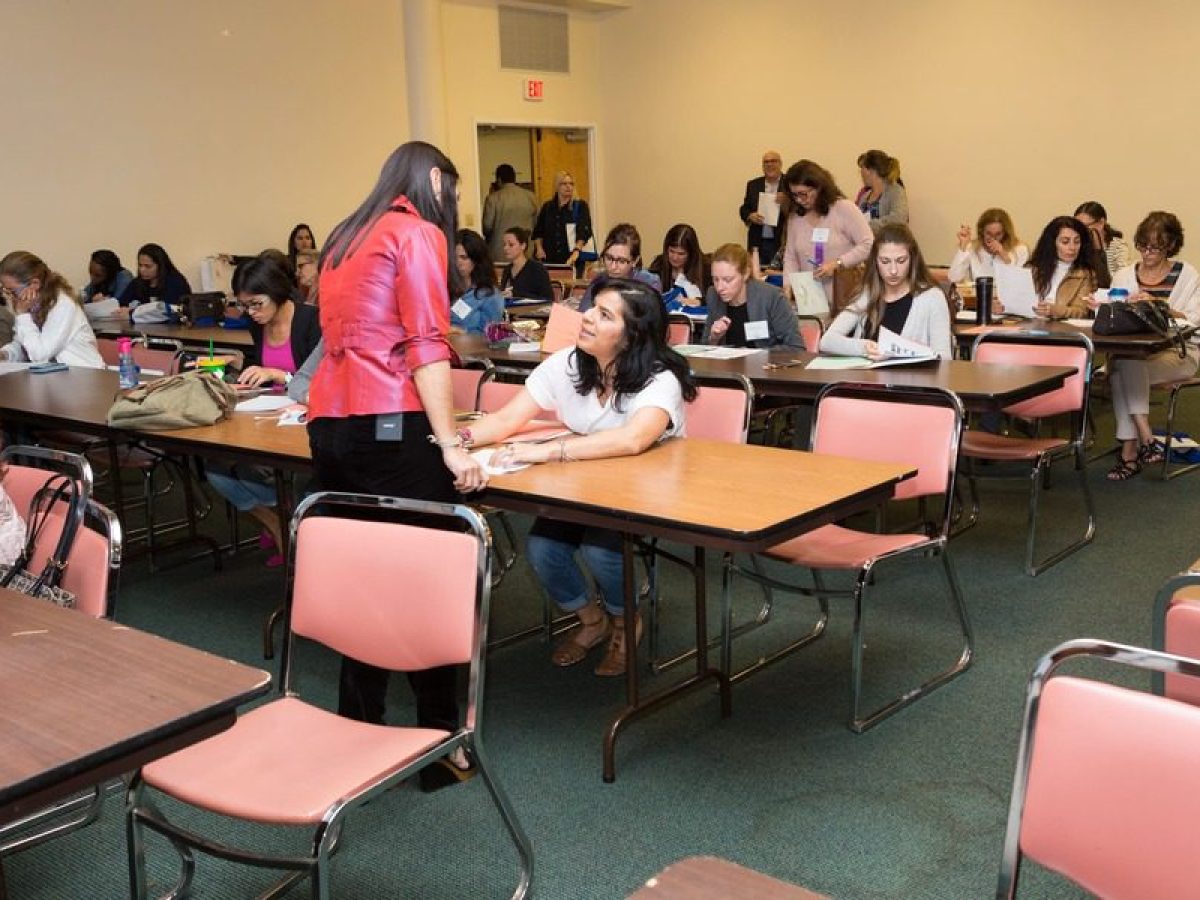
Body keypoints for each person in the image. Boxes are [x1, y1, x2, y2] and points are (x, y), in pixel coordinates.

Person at [306, 140, 484, 791]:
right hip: (390, 425)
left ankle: (360, 730)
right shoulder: (416, 233)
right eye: (452, 189)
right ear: (435, 179)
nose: (453, 203)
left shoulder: (343, 236)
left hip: (331, 425)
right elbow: (425, 345)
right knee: (426, 586)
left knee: (362, 583)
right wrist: (452, 443)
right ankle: (442, 744)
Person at [462, 277, 696, 675]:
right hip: (583, 484)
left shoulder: (660, 378)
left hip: (643, 493)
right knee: (543, 550)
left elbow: (634, 438)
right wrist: (456, 441)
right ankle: (592, 620)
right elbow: (506, 420)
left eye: (604, 315)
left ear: (631, 335)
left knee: (601, 551)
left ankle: (625, 621)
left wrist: (548, 451)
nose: (586, 317)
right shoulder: (569, 362)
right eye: (592, 308)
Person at [205, 255, 321, 560]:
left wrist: (281, 376)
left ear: (277, 292)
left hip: (302, 420)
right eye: (244, 306)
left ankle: (287, 523)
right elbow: (262, 367)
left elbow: (322, 380)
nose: (251, 313)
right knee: (215, 466)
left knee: (262, 470)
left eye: (256, 304)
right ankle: (276, 520)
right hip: (265, 415)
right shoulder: (258, 325)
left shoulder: (312, 321)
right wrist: (240, 373)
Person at [1092, 211, 1200, 481]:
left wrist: (1158, 306)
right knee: (1126, 364)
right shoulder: (1124, 275)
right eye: (1143, 246)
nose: (1147, 253)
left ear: (1170, 245)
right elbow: (1113, 316)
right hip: (1134, 352)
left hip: (1179, 352)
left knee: (1121, 370)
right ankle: (1146, 438)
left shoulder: (1187, 275)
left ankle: (1131, 451)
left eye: (1155, 247)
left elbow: (1194, 320)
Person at [820, 223, 952, 359]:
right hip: (866, 373)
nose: (893, 270)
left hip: (910, 374)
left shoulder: (932, 298)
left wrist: (894, 356)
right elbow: (827, 341)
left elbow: (945, 359)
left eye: (901, 261)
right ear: (875, 262)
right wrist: (865, 348)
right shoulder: (867, 295)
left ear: (912, 259)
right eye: (885, 261)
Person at [781, 159, 874, 298]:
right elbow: (790, 257)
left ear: (818, 187)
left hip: (845, 296)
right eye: (794, 195)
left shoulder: (844, 208)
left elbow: (868, 244)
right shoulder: (795, 218)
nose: (799, 200)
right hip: (810, 299)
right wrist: (788, 285)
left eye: (803, 194)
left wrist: (838, 263)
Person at [0, 251, 104, 368]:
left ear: (34, 284)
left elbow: (40, 355)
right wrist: (5, 354)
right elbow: (25, 345)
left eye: (12, 291)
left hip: (85, 372)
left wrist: (23, 316)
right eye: (5, 291)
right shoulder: (30, 305)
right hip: (56, 374)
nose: (10, 297)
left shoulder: (63, 304)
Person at [704, 243, 803, 350]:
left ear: (745, 274)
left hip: (765, 360)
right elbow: (703, 348)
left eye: (728, 280)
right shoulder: (713, 295)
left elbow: (796, 347)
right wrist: (714, 339)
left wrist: (752, 354)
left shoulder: (771, 297)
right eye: (715, 279)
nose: (719, 287)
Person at [577, 223, 662, 312]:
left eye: (621, 261)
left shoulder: (650, 283)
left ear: (635, 261)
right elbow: (584, 313)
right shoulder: (599, 280)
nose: (613, 267)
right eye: (609, 258)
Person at [1027, 216, 1098, 320]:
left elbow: (1081, 312)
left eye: (1077, 242)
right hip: (1029, 323)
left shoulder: (1085, 274)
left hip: (1061, 327)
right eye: (1065, 242)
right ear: (1052, 243)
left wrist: (1054, 310)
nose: (1072, 247)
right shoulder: (1032, 268)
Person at [532, 170, 592, 271]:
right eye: (564, 183)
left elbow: (584, 231)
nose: (568, 186)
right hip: (549, 258)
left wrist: (576, 251)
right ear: (557, 186)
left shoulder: (580, 206)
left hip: (573, 258)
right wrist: (539, 248)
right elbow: (538, 231)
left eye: (571, 184)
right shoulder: (547, 207)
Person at [948, 208, 1029, 282]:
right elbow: (954, 278)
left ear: (1005, 233)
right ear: (982, 232)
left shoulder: (1020, 249)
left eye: (998, 234)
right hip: (980, 293)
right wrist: (963, 247)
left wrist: (1004, 255)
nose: (993, 239)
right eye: (988, 234)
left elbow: (1018, 282)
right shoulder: (972, 248)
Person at [481, 163, 538, 263]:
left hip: (500, 252)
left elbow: (487, 227)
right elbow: (537, 225)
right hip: (525, 251)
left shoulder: (493, 199)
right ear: (514, 178)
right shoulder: (531, 197)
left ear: (499, 180)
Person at [452, 229, 504, 335]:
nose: (458, 263)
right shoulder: (446, 289)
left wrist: (461, 332)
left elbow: (490, 335)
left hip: (471, 345)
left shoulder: (489, 294)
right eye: (454, 258)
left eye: (464, 257)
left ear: (476, 260)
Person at [739, 150, 785, 267]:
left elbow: (800, 209)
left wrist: (787, 201)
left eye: (773, 161)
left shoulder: (789, 184)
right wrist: (750, 216)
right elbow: (744, 208)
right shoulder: (753, 184)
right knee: (756, 273)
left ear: (780, 164)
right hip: (758, 241)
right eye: (766, 162)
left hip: (782, 242)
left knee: (780, 274)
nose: (769, 164)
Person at [1074, 201, 1134, 289]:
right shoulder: (1077, 245)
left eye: (1085, 226)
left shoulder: (1118, 246)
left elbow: (1124, 278)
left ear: (1101, 223)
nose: (1081, 231)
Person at [648, 222, 709, 307]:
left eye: (681, 254)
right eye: (671, 251)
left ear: (691, 254)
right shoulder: (658, 265)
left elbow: (717, 299)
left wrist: (699, 302)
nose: (675, 257)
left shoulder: (706, 268)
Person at [118, 243, 192, 309]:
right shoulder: (137, 283)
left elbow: (168, 311)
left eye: (148, 266)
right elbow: (122, 304)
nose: (142, 270)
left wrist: (132, 313)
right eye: (140, 265)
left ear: (161, 266)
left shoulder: (175, 283)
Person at [854, 149, 909, 235]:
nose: (860, 172)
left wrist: (868, 225)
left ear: (871, 171)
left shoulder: (896, 191)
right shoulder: (864, 196)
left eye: (862, 168)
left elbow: (899, 220)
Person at [499, 226, 554, 302]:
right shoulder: (507, 270)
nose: (506, 248)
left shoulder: (537, 269)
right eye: (504, 244)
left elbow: (548, 299)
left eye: (511, 245)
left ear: (523, 246)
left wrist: (516, 295)